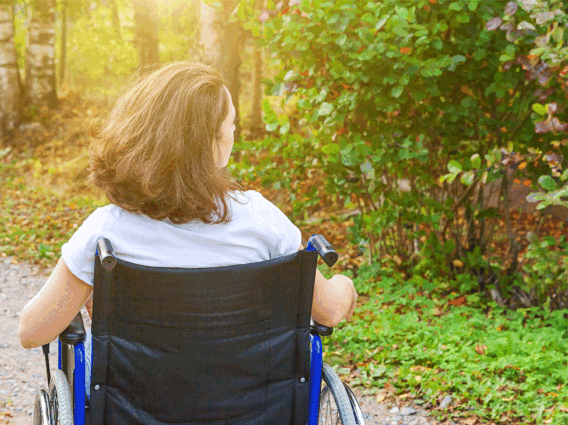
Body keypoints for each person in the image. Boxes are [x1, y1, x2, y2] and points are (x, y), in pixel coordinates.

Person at [18, 62, 357, 355]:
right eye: (230, 126)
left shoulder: (106, 232)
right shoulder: (261, 219)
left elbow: (32, 332)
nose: (234, 133)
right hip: (251, 414)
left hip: (135, 415)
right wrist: (345, 286)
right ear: (211, 142)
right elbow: (328, 311)